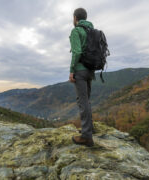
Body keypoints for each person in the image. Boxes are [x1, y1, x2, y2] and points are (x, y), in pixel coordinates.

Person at [69, 7, 96, 147]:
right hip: (91, 70)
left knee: (82, 101)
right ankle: (89, 128)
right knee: (87, 100)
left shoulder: (76, 31)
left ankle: (86, 136)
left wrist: (72, 70)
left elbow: (77, 52)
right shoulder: (91, 30)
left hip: (80, 70)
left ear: (75, 18)